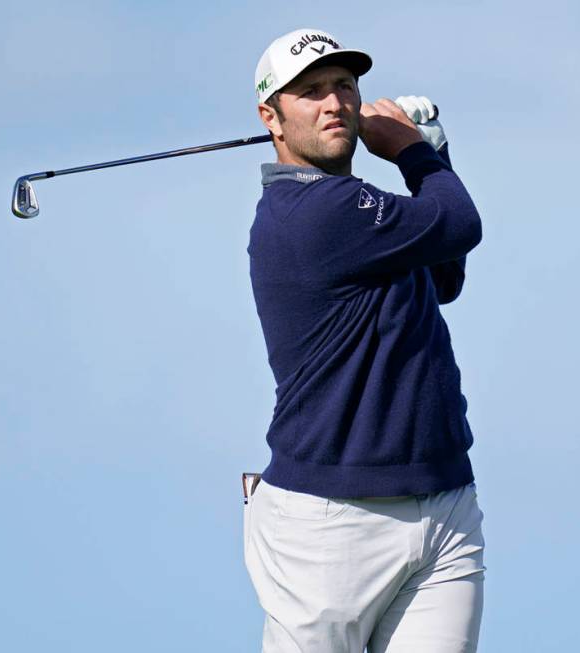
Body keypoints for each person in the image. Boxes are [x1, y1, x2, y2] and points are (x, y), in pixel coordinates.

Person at [242, 27, 485, 653]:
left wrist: (434, 156)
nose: (334, 104)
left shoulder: (360, 210)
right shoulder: (313, 214)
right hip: (327, 527)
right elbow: (459, 221)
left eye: (344, 87)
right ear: (271, 117)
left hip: (442, 504)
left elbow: (445, 273)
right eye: (311, 93)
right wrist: (413, 151)